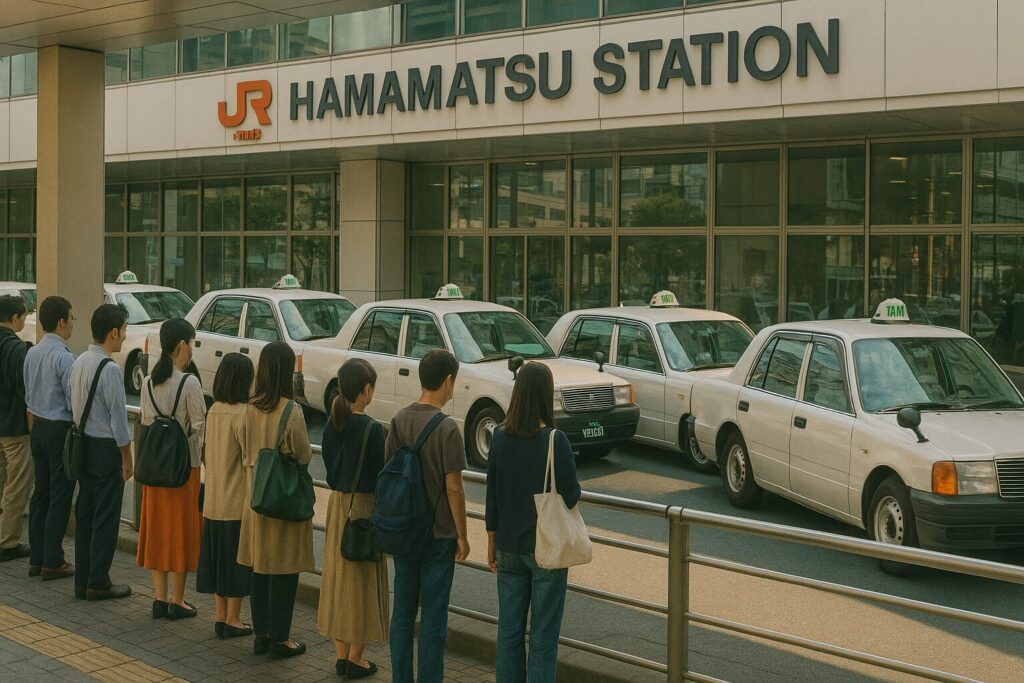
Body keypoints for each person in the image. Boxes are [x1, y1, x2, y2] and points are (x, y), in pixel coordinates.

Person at [485, 363, 581, 683]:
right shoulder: (555, 439)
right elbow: (570, 495)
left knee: (509, 632)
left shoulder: (499, 436)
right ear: (545, 395)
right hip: (546, 550)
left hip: (508, 546)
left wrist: (491, 541)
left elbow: (492, 495)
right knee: (542, 634)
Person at [386, 349, 470, 683]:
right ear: (448, 380)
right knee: (434, 619)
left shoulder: (399, 420)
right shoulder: (447, 428)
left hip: (403, 530)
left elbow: (388, 471)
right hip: (438, 536)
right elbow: (454, 488)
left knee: (403, 613)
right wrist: (462, 535)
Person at [238, 342, 313, 659]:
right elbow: (304, 454)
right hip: (282, 501)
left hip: (256, 497)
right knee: (284, 571)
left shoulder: (250, 406)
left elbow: (243, 445)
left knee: (260, 569)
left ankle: (261, 636)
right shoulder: (290, 410)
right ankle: (280, 639)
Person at [318, 359, 388, 679]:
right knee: (362, 585)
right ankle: (356, 659)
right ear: (366, 389)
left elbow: (331, 473)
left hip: (338, 507)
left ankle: (341, 654)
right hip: (364, 510)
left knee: (336, 580)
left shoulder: (333, 423)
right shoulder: (375, 430)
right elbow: (383, 478)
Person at [137, 319, 206, 620]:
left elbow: (145, 421)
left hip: (155, 467)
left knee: (157, 529)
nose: (193, 348)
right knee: (181, 531)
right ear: (180, 344)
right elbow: (200, 428)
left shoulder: (150, 380)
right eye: (191, 342)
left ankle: (159, 598)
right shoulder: (189, 382)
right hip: (183, 468)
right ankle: (178, 601)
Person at [70, 303, 133, 601]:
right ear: (112, 332)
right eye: (123, 331)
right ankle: (98, 581)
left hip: (83, 446)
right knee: (106, 517)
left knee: (86, 514)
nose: (123, 337)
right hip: (106, 450)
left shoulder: (79, 361)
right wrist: (127, 458)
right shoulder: (110, 370)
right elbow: (120, 422)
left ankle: (82, 580)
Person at [197, 352, 255, 639]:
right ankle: (233, 618)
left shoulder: (214, 410)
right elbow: (249, 460)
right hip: (235, 501)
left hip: (213, 499)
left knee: (217, 560)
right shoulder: (244, 415)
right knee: (235, 561)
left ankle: (220, 616)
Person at [24, 296, 76, 579]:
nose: (72, 324)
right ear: (61, 322)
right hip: (58, 428)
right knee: (60, 493)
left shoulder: (32, 352)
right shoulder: (64, 357)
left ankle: (36, 556)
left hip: (38, 427)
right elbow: (72, 400)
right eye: (72, 318)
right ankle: (53, 560)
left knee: (41, 492)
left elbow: (28, 394)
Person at [0, 294, 31, 562]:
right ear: (14, 319)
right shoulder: (16, 350)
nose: (26, 319)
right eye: (24, 316)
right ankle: (8, 541)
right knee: (16, 485)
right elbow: (24, 390)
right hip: (13, 428)